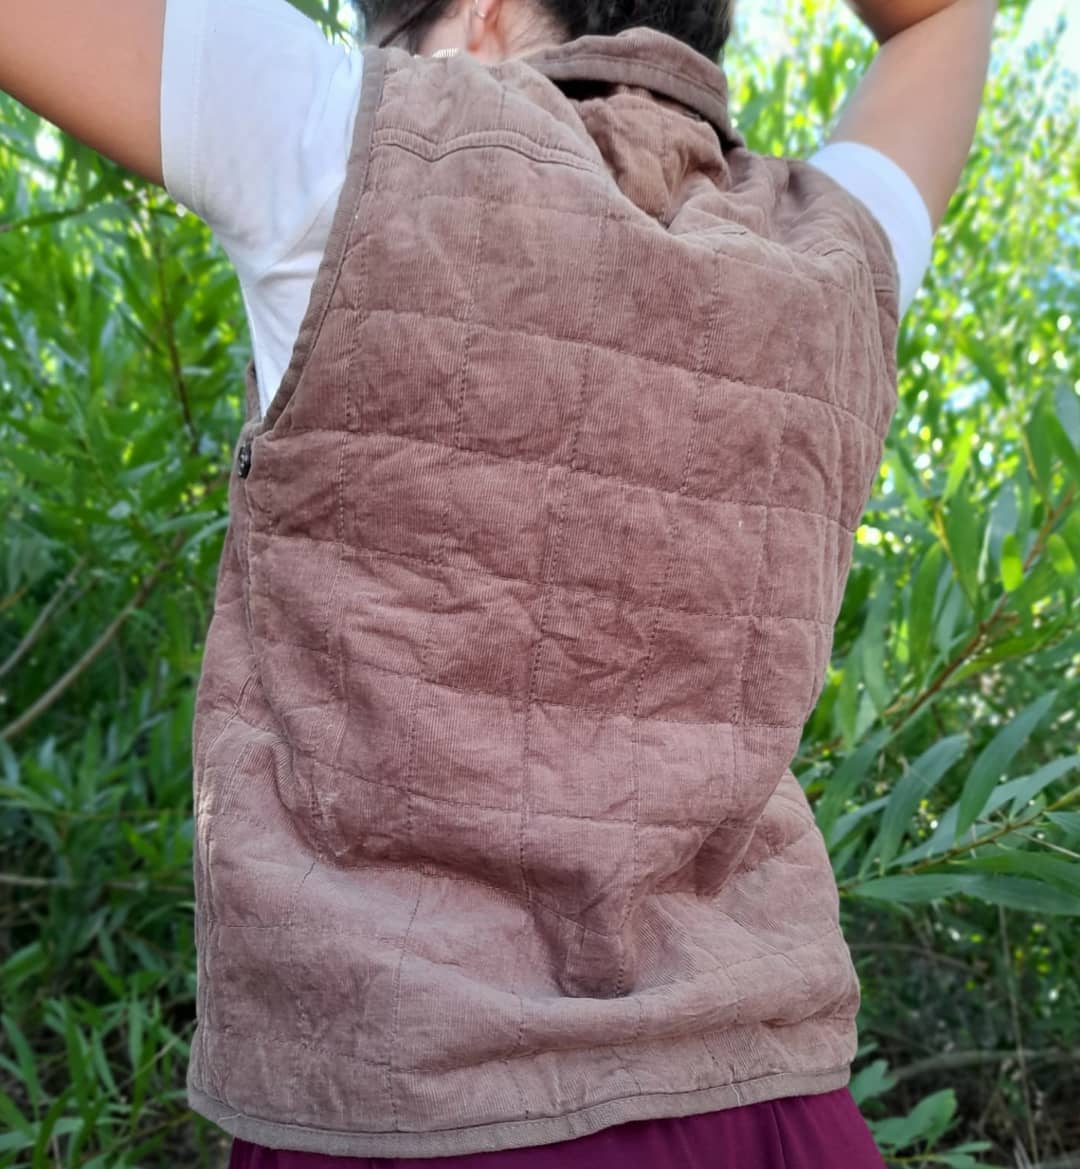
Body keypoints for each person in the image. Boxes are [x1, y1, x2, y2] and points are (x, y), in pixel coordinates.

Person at [0, 0, 994, 1165]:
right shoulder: (830, 252)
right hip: (779, 1106)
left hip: (421, 1111)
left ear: (479, 17)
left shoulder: (348, 140)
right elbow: (943, 19)